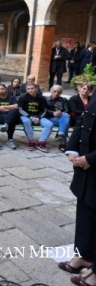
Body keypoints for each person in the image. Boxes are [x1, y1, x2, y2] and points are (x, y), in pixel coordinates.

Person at [60, 91, 96, 286]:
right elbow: (85, 117)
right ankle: (83, 256)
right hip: (86, 165)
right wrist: (73, 148)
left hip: (92, 160)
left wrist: (91, 159)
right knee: (85, 209)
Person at [18, 84, 53, 152]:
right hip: (26, 116)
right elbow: (20, 110)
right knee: (26, 122)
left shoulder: (42, 98)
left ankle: (41, 142)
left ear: (36, 89)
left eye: (32, 88)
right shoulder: (22, 97)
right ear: (26, 90)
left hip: (38, 116)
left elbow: (44, 110)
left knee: (49, 124)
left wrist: (39, 118)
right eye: (28, 89)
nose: (30, 90)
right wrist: (30, 117)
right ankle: (32, 142)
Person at [0, 84, 20, 150]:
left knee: (13, 113)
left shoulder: (12, 98)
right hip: (0, 116)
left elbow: (16, 107)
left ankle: (6, 125)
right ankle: (10, 140)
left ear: (6, 89)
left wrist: (3, 107)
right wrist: (10, 108)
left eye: (2, 89)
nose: (1, 90)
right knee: (12, 119)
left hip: (11, 115)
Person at [46, 85, 71, 152]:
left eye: (58, 92)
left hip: (61, 117)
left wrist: (61, 112)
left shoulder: (64, 100)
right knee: (66, 123)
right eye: (54, 91)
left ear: (61, 93)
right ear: (51, 91)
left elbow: (67, 110)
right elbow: (44, 110)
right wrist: (53, 113)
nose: (56, 93)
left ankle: (60, 134)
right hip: (50, 118)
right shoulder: (46, 100)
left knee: (65, 116)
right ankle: (63, 143)